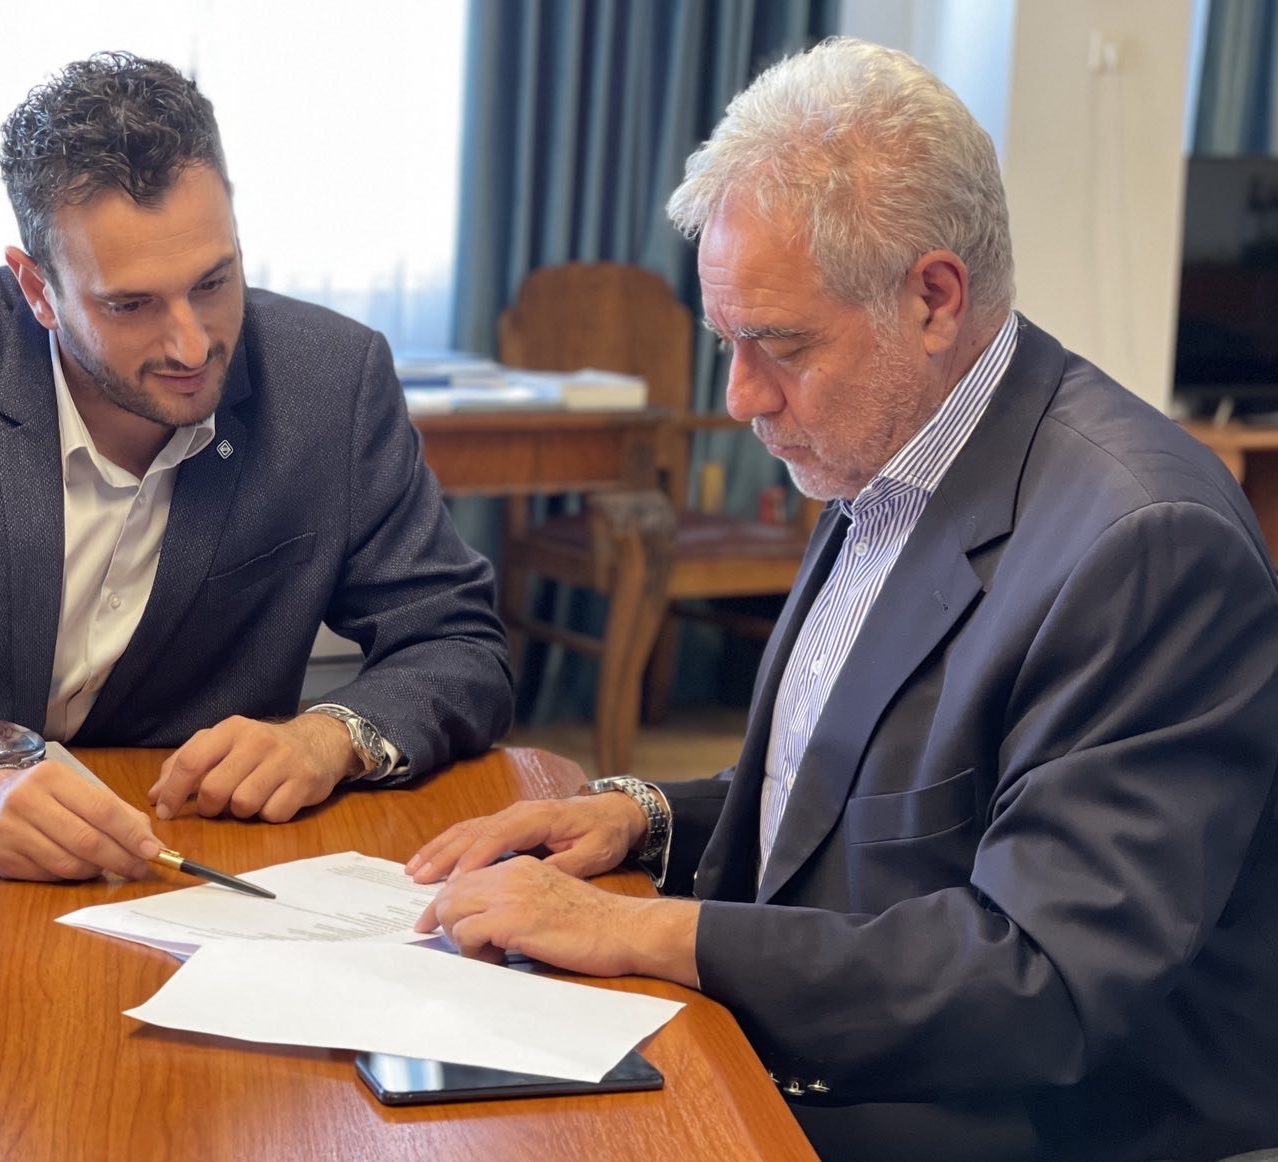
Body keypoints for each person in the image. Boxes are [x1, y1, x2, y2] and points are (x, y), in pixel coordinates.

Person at [408, 37, 1278, 1162]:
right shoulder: (887, 447)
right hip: (860, 1045)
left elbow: (1040, 978)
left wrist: (645, 930)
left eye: (777, 345)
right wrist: (642, 818)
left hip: (1019, 1116)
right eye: (726, 341)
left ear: (933, 298)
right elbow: (864, 794)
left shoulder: (1145, 543)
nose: (740, 397)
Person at [0, 52, 512, 884]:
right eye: (130, 305)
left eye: (214, 282)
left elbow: (456, 643)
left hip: (205, 868)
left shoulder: (332, 382)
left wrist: (328, 737)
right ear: (38, 289)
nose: (192, 345)